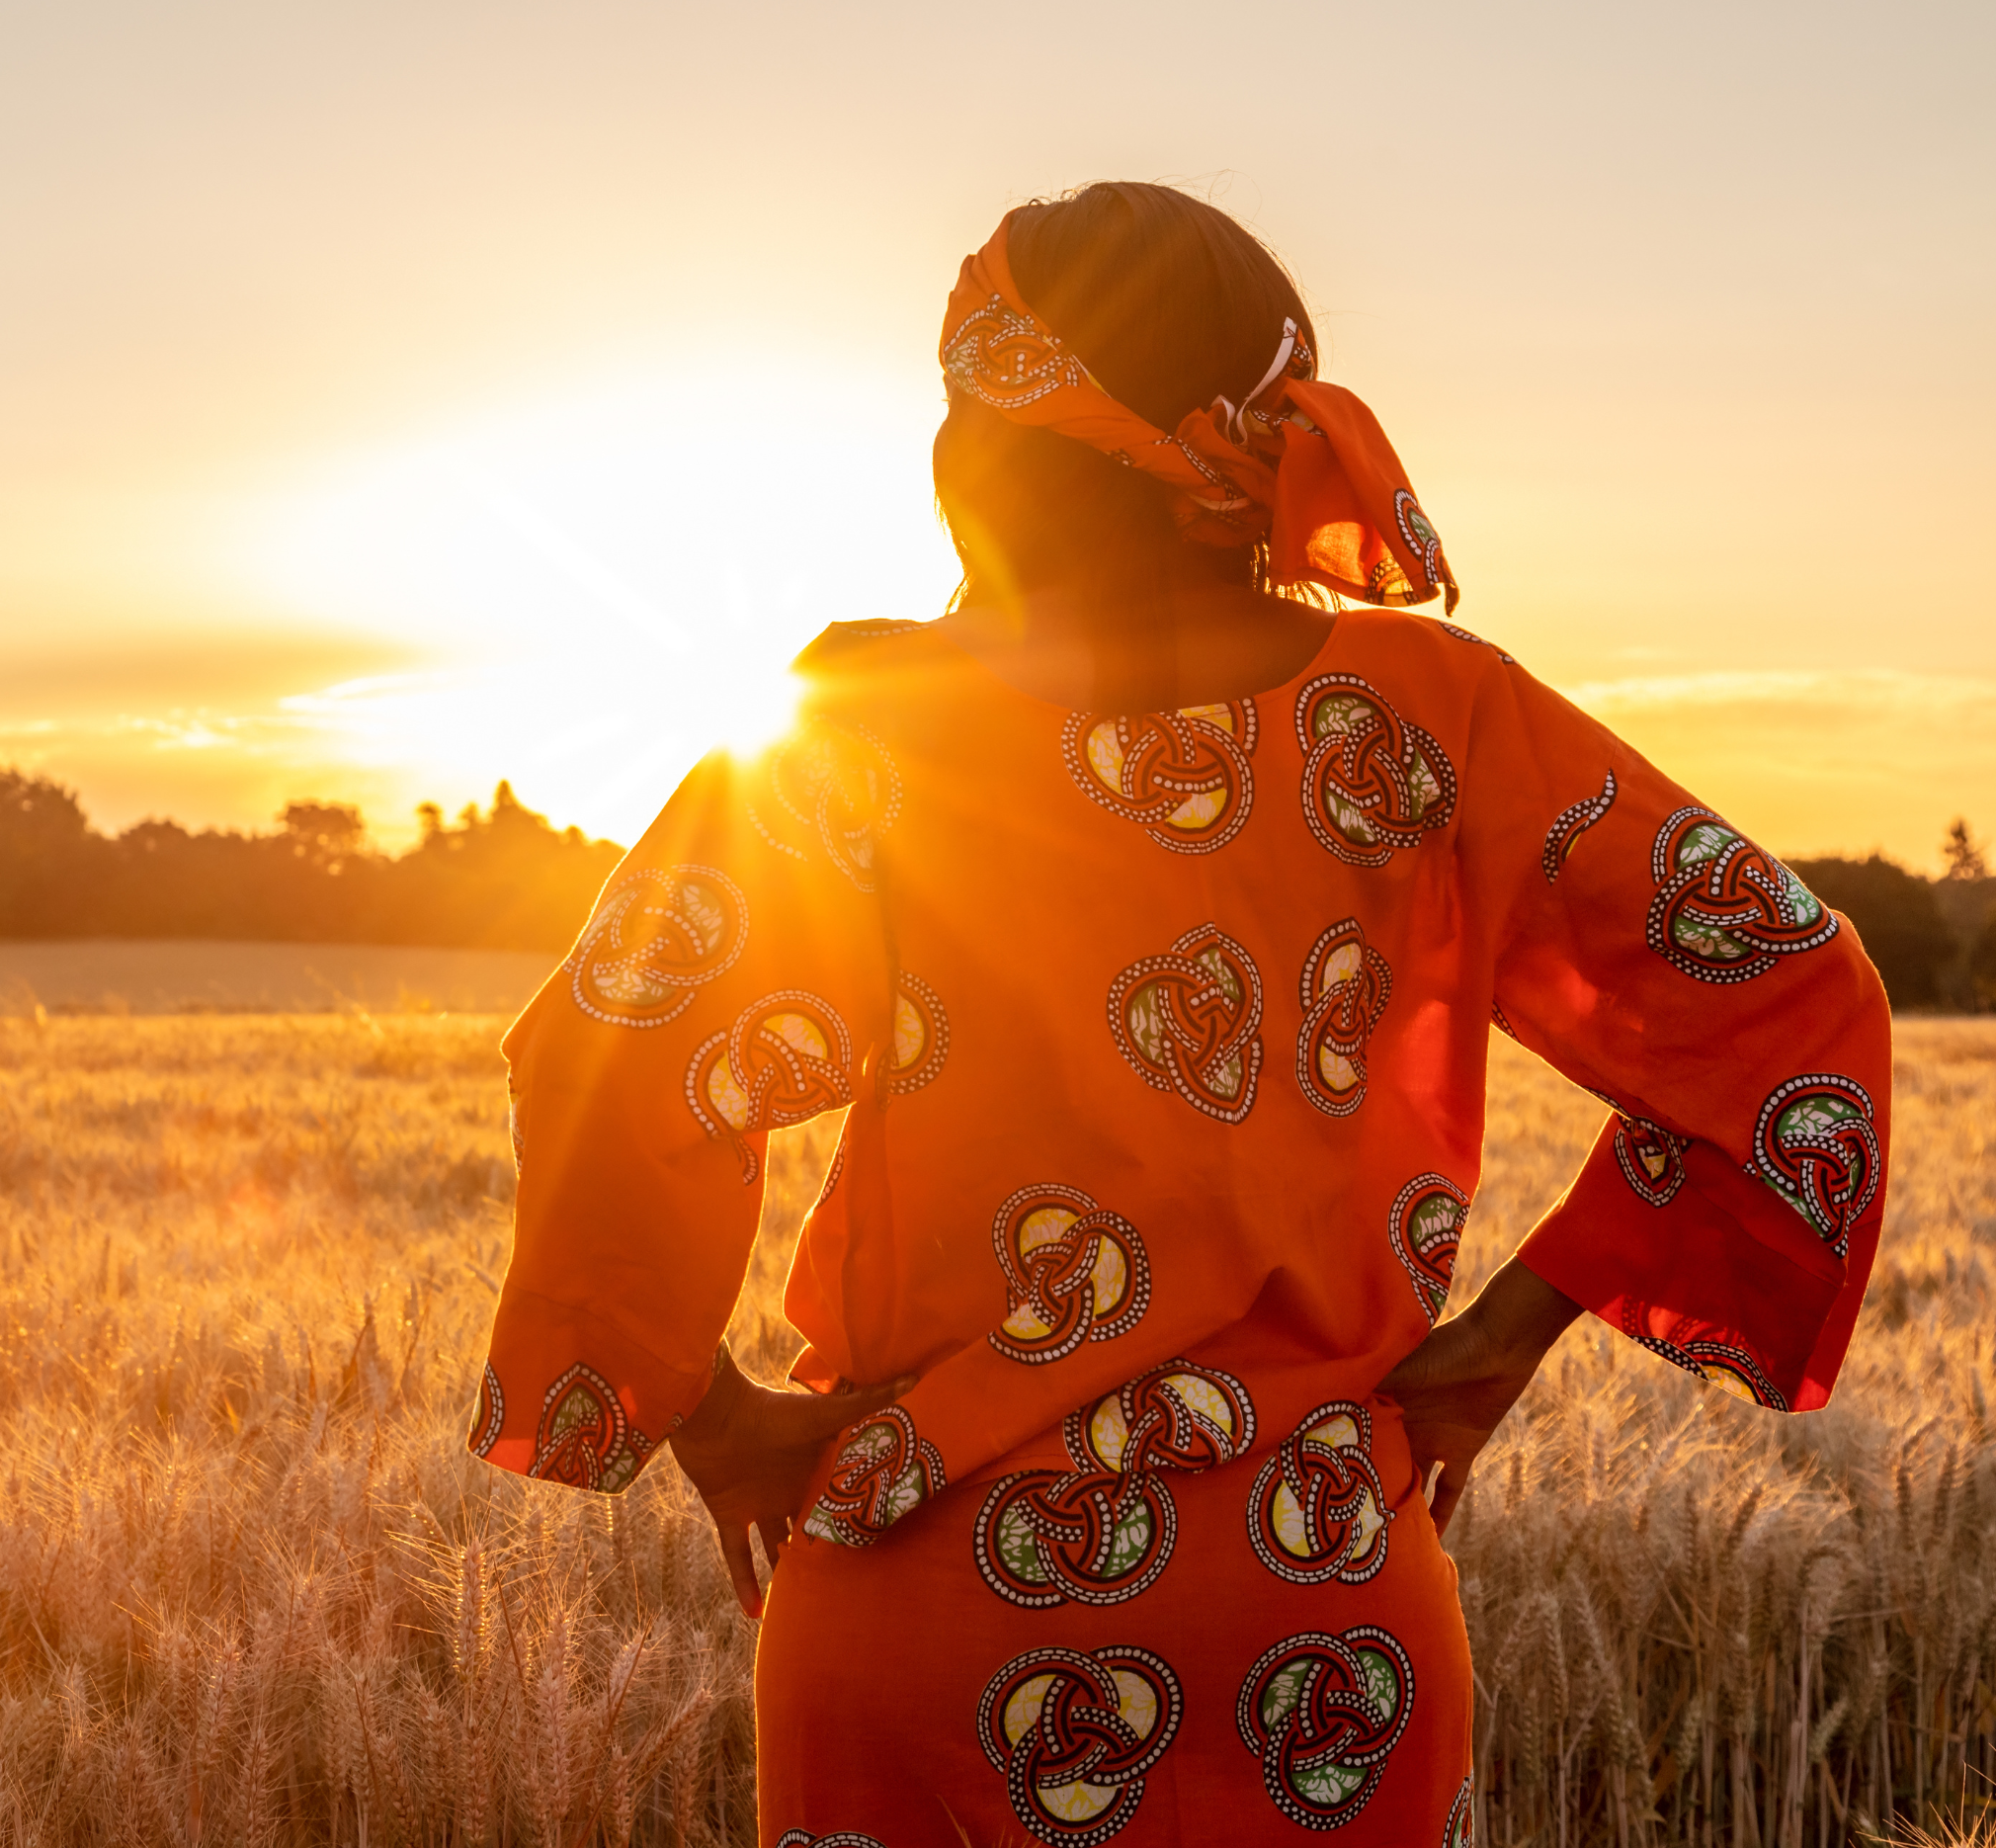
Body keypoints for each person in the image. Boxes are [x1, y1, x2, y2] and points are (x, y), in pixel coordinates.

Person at [465, 181, 1891, 1845]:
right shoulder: (1430, 711)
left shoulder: (862, 729)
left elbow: (597, 1058)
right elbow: (1793, 992)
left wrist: (703, 1415)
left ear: (987, 451)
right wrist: (1503, 1342)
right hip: (1320, 1618)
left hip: (931, 1624)